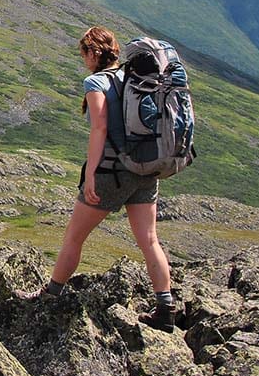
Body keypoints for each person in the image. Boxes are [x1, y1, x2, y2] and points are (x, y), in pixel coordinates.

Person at [40, 26, 176, 332]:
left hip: (111, 172)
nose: (83, 59)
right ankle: (166, 308)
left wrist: (91, 174)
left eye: (84, 53)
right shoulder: (135, 79)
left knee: (74, 237)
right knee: (150, 240)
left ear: (93, 53)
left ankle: (50, 296)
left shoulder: (96, 81)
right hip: (145, 169)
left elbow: (99, 128)